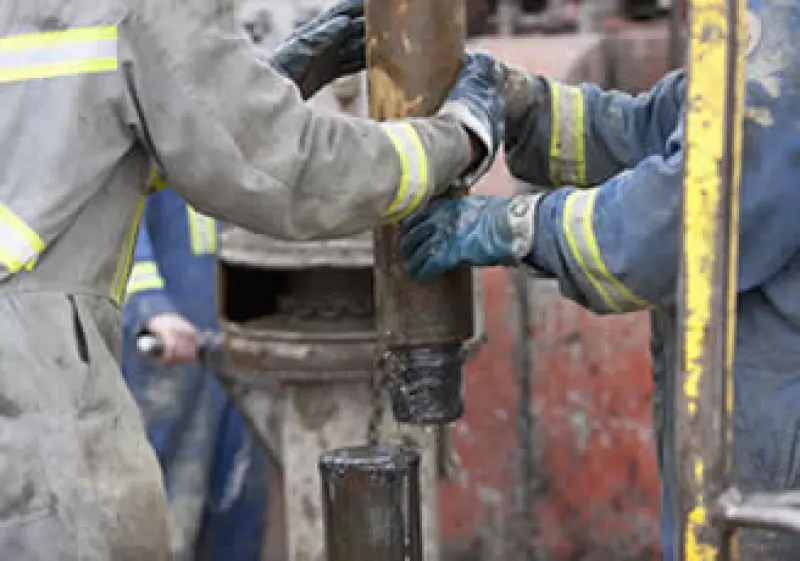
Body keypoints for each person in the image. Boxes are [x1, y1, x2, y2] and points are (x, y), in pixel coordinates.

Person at [0, 0, 505, 558]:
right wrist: (457, 139)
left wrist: (259, 87)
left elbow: (73, 144)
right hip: (28, 392)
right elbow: (293, 174)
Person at [398, 1, 800, 559]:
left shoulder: (783, 26)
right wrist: (526, 107)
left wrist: (517, 227)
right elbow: (661, 132)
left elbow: (681, 216)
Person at [122, 188, 269, 561]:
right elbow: (113, 226)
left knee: (239, 501)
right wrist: (150, 307)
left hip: (236, 344)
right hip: (162, 356)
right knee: (160, 515)